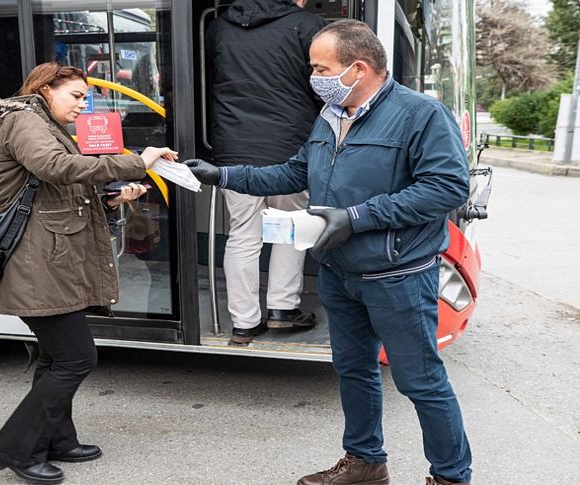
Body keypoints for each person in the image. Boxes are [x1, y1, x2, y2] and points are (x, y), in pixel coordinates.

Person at [186, 19, 472, 485]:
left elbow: (445, 188)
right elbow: (292, 173)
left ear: (358, 68)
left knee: (421, 382)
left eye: (321, 67)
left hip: (396, 275)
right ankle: (365, 463)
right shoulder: (330, 116)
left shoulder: (420, 113)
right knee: (354, 372)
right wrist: (221, 175)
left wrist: (356, 217)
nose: (313, 76)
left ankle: (451, 477)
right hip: (340, 272)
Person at [0, 62, 177, 484]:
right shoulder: (24, 121)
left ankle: (57, 440)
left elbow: (53, 192)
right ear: (46, 89)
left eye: (86, 97)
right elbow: (56, 168)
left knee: (55, 357)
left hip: (45, 262)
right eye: (76, 95)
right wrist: (134, 163)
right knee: (76, 357)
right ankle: (16, 448)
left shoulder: (38, 123)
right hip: (34, 266)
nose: (83, 104)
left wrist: (110, 200)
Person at [206, 0, 325, 344]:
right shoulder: (307, 25)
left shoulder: (218, 27)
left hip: (233, 147)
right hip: (290, 147)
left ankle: (244, 323)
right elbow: (321, 86)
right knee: (290, 227)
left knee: (243, 234)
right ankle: (282, 309)